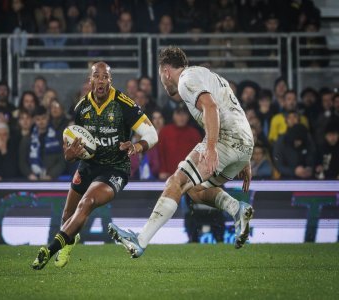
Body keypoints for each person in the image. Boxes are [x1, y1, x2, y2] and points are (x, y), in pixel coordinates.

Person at [108, 46, 254, 258]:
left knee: (175, 182)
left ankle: (140, 240)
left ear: (166, 71)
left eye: (160, 75)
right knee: (194, 189)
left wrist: (212, 147)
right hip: (244, 143)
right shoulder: (207, 75)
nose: (162, 81)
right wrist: (245, 159)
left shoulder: (186, 80)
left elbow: (211, 108)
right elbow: (233, 110)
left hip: (225, 139)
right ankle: (236, 209)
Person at [31, 61, 158, 270]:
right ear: (90, 80)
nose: (101, 80)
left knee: (87, 202)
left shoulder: (124, 104)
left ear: (110, 81)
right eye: (96, 76)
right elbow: (74, 148)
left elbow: (152, 134)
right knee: (67, 216)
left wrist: (136, 147)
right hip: (88, 166)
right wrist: (69, 154)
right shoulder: (81, 108)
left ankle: (50, 248)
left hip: (115, 169)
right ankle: (69, 242)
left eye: (105, 76)